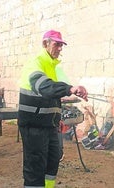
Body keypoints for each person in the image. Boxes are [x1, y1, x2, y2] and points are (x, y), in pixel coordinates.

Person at [18, 30, 88, 188]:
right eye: (57, 44)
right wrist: (70, 88)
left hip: (49, 126)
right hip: (33, 126)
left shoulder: (52, 66)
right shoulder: (35, 63)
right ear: (45, 44)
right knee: (35, 168)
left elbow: (51, 98)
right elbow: (46, 88)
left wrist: (58, 119)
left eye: (61, 45)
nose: (60, 48)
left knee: (52, 162)